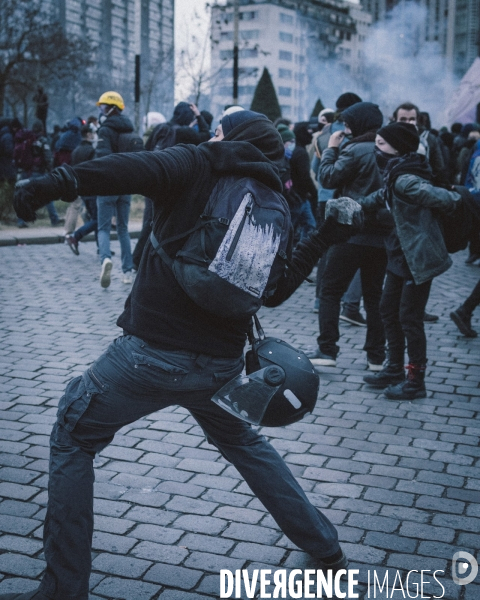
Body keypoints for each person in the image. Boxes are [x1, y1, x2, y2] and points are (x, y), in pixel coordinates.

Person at [10, 109, 357, 600]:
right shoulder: (273, 199)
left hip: (149, 355)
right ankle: (326, 548)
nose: (211, 134)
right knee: (245, 445)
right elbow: (274, 292)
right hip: (220, 366)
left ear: (232, 138)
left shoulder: (196, 163)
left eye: (220, 130)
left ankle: (62, 590)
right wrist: (324, 235)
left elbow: (124, 168)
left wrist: (54, 182)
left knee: (72, 434)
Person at [359, 122, 462, 399]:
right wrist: (357, 205)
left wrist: (457, 198)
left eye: (381, 144)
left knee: (409, 318)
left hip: (417, 256)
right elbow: (383, 196)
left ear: (397, 147)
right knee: (387, 309)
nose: (376, 149)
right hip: (400, 253)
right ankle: (393, 369)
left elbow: (435, 195)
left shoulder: (405, 178)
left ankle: (415, 382)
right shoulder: (398, 171)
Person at [310, 102, 388, 370]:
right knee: (374, 296)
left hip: (350, 232)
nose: (346, 127)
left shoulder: (354, 150)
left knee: (330, 290)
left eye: (349, 122)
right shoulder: (386, 148)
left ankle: (327, 350)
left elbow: (328, 178)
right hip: (380, 235)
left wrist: (331, 148)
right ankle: (376, 357)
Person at [95, 91, 138, 287]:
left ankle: (105, 259)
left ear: (112, 109)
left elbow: (103, 159)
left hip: (108, 184)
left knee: (103, 228)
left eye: (103, 107)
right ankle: (128, 271)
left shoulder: (105, 130)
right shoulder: (130, 128)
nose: (101, 110)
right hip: (127, 183)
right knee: (123, 229)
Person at [13, 120, 61, 226]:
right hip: (38, 172)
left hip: (24, 172)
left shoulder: (26, 139)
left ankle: (20, 221)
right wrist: (51, 171)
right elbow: (48, 158)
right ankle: (54, 219)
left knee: (23, 196)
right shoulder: (42, 140)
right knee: (47, 195)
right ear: (42, 129)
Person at [64, 124, 98, 255]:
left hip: (82, 189)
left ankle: (101, 247)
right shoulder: (91, 151)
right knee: (98, 220)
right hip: (93, 189)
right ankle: (76, 236)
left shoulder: (76, 150)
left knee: (95, 218)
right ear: (88, 134)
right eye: (92, 133)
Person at [0, 117, 21, 221]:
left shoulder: (3, 134)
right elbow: (9, 151)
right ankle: (8, 212)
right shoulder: (8, 136)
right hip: (7, 167)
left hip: (4, 167)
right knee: (10, 190)